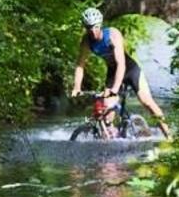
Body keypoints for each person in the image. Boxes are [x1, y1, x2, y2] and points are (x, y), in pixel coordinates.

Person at [71, 8, 172, 139]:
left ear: (100, 25)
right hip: (113, 73)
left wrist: (115, 89)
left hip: (131, 70)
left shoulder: (113, 35)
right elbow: (80, 65)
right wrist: (76, 87)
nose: (92, 31)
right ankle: (111, 138)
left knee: (147, 102)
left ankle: (169, 137)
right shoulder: (86, 41)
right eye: (89, 28)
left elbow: (121, 64)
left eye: (95, 27)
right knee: (106, 108)